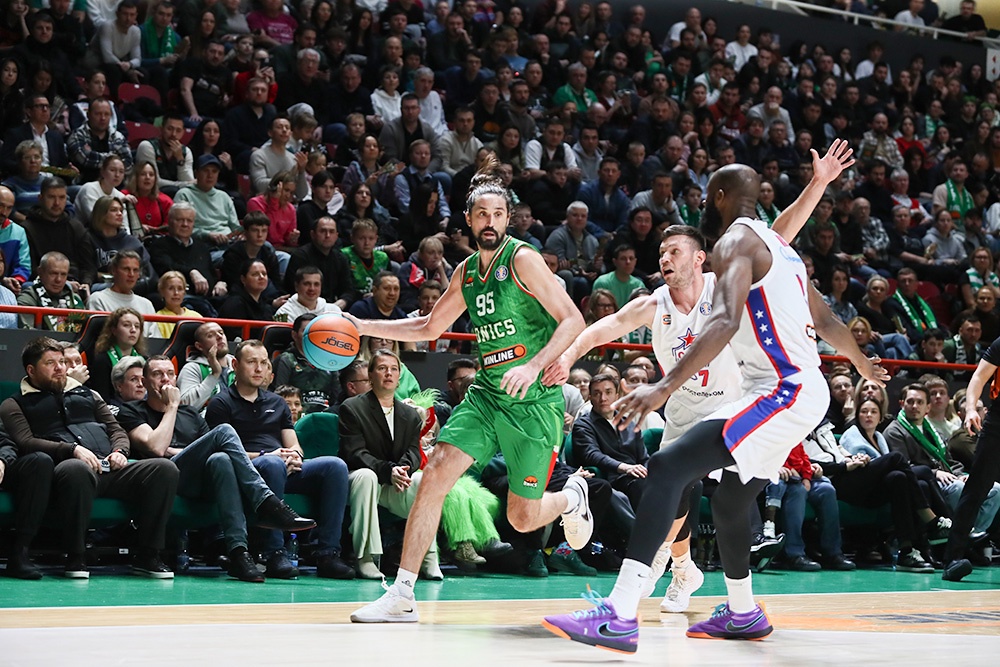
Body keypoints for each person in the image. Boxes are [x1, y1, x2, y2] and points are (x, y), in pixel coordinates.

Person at [542, 158, 886, 651]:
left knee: (665, 468)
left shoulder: (733, 243)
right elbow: (828, 320)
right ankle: (743, 612)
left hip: (780, 389)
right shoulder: (781, 250)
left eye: (706, 197)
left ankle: (618, 615)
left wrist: (661, 387)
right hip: (799, 391)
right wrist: (860, 362)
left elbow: (723, 322)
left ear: (720, 198)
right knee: (729, 501)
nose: (702, 204)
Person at [348, 154, 590, 623]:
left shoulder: (523, 260)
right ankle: (402, 595)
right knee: (436, 473)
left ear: (508, 218)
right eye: (482, 214)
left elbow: (572, 319)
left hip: (534, 401)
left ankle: (572, 497)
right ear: (469, 219)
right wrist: (361, 325)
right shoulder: (465, 272)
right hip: (487, 396)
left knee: (521, 517)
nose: (490, 222)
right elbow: (427, 326)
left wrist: (536, 365)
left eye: (498, 214)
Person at [119, 354, 316, 582]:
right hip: (164, 480)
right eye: (157, 374)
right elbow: (156, 447)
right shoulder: (131, 410)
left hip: (200, 481)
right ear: (144, 381)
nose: (165, 379)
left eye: (170, 374)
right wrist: (172, 406)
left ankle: (238, 553)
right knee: (224, 431)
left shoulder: (191, 414)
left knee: (221, 459)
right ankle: (266, 502)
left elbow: (212, 449)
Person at [0, 336, 179, 579]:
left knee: (164, 468)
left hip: (108, 466)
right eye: (50, 363)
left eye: (62, 362)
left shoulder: (89, 394)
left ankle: (148, 554)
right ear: (31, 370)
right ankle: (76, 555)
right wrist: (71, 449)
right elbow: (25, 442)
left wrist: (120, 451)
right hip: (65, 471)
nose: (60, 368)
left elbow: (116, 429)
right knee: (76, 469)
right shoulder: (14, 403)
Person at [206, 339, 354, 580]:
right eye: (251, 362)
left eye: (264, 363)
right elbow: (224, 449)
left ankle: (327, 553)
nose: (259, 369)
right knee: (272, 464)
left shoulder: (277, 402)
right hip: (247, 471)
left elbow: (293, 443)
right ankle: (274, 553)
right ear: (235, 365)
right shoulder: (221, 403)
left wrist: (295, 455)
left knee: (335, 466)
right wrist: (268, 456)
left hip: (281, 465)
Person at [339, 347, 442, 580]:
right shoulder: (352, 408)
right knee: (366, 477)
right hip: (361, 480)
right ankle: (366, 558)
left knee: (423, 479)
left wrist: (403, 469)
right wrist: (389, 470)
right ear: (371, 374)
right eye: (382, 368)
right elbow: (355, 453)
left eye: (394, 369)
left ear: (399, 376)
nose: (389, 373)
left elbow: (414, 452)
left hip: (395, 482)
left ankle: (429, 557)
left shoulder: (411, 414)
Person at [272, 313, 340, 414]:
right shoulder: (286, 360)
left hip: (325, 415)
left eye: (314, 331)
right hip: (296, 415)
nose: (311, 335)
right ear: (294, 335)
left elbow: (337, 398)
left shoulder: (329, 360)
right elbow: (279, 397)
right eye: (305, 331)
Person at [87, 251, 158, 339]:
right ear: (114, 271)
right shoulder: (98, 299)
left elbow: (156, 340)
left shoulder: (146, 304)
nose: (131, 274)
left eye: (135, 270)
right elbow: (100, 337)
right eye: (126, 269)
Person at [15, 250, 86, 331]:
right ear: (40, 272)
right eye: (53, 273)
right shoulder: (28, 298)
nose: (58, 279)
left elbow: (82, 332)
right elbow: (27, 333)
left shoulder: (75, 299)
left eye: (63, 274)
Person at [154, 271, 201, 338]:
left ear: (184, 292)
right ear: (162, 291)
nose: (176, 293)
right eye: (171, 288)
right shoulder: (157, 318)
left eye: (180, 289)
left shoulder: (196, 317)